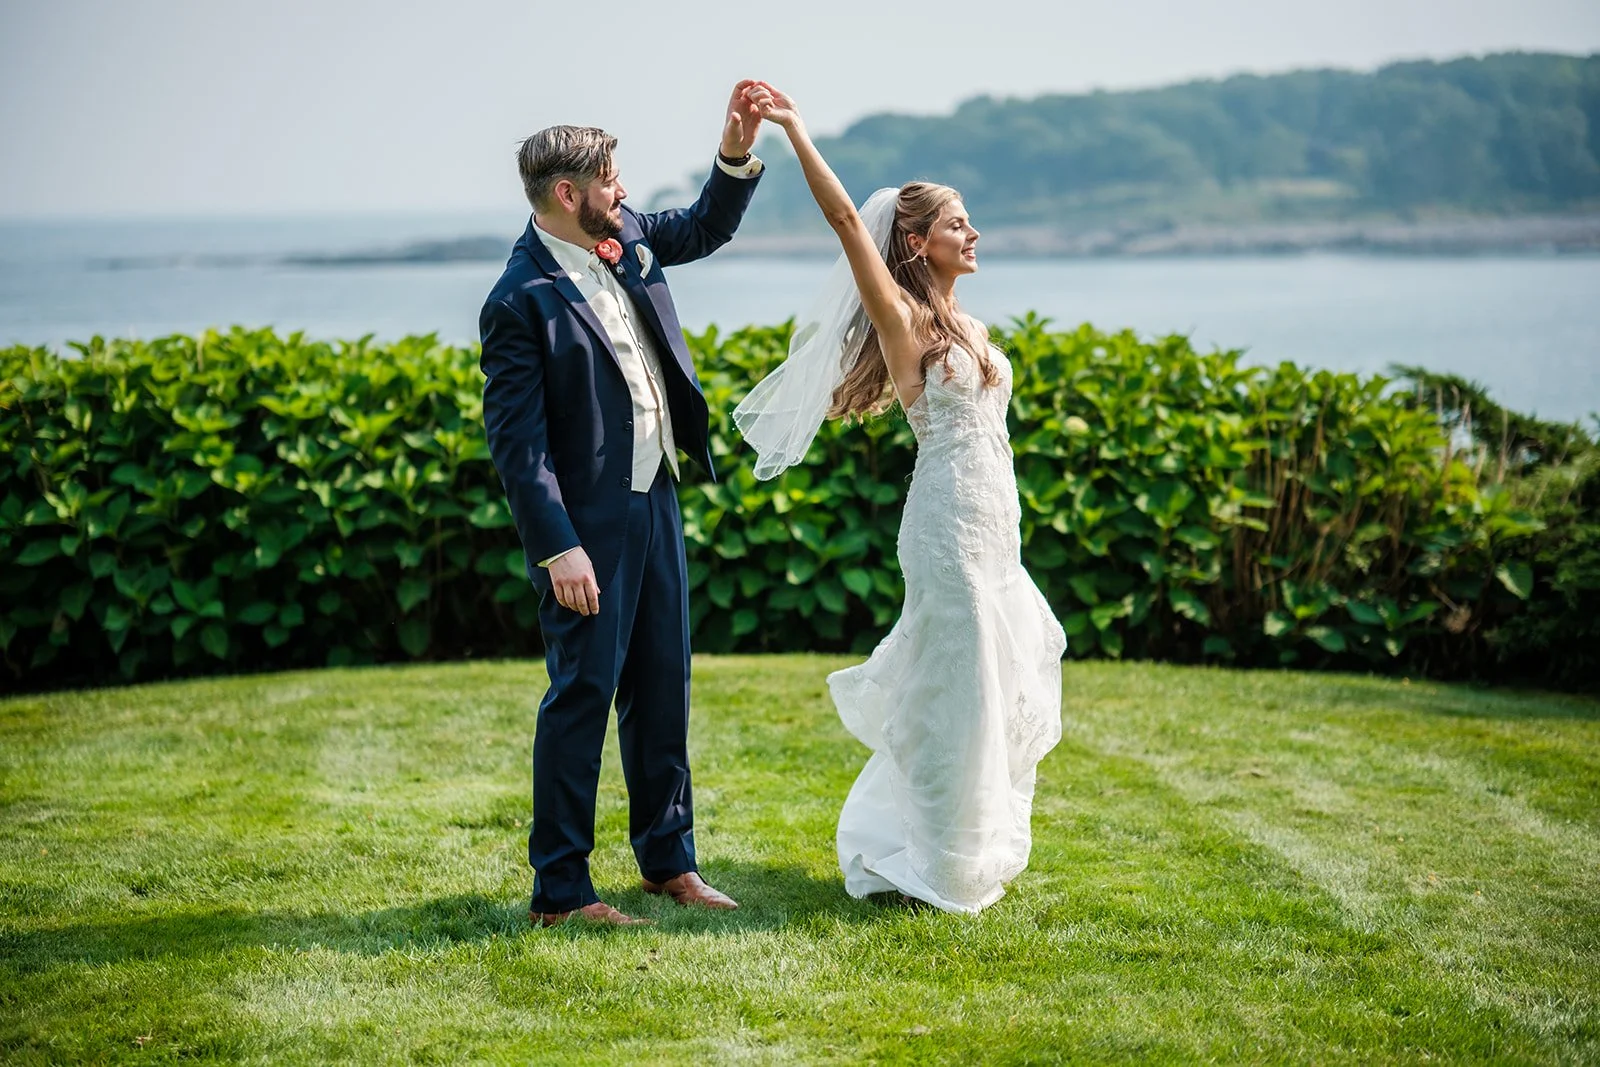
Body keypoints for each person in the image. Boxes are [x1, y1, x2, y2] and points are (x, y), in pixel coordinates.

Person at [734, 83, 1067, 914]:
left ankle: (969, 849)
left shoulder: (975, 330)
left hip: (997, 525)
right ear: (917, 243)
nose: (974, 232)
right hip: (946, 525)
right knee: (958, 689)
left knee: (1000, 675)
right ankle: (937, 863)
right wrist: (796, 131)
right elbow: (850, 222)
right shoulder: (905, 322)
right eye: (959, 223)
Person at [479, 83, 766, 927]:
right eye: (610, 180)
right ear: (566, 195)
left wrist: (736, 149)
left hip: (657, 500)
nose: (625, 193)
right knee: (583, 693)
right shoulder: (517, 300)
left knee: (662, 686)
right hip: (587, 533)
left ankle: (670, 862)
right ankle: (561, 891)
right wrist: (558, 546)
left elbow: (704, 226)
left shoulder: (626, 237)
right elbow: (519, 446)